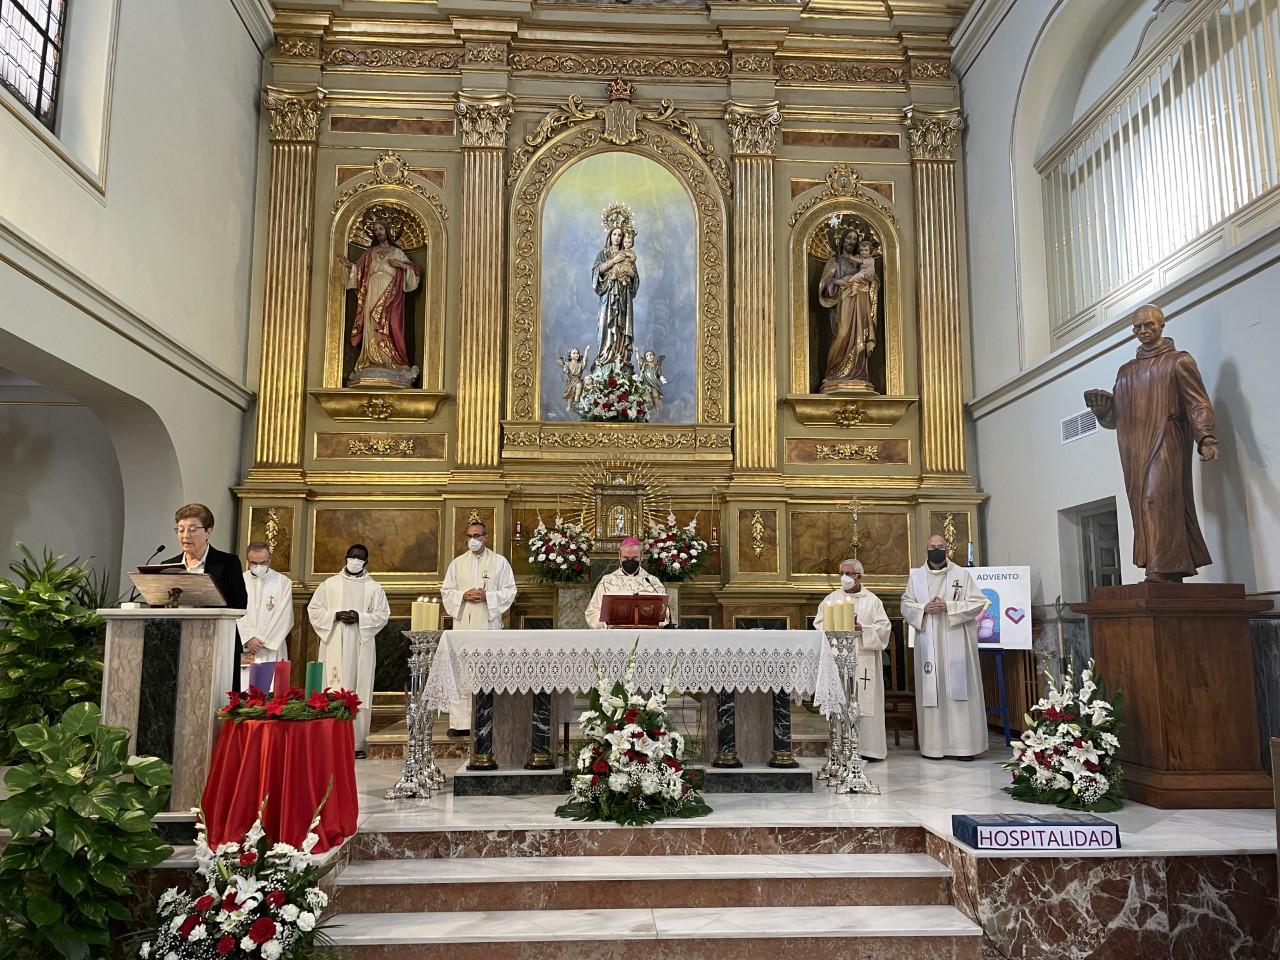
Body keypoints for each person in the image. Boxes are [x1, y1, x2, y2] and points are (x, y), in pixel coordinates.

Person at [1084, 303, 1219, 581]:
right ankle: (1161, 566)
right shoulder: (1126, 371)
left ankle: (1163, 569)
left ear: (1161, 325)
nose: (1143, 331)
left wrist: (1205, 436)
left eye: (1149, 325)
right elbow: (1116, 419)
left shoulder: (1179, 361)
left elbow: (1197, 403)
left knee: (1156, 498)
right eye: (1138, 327)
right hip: (1134, 445)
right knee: (1142, 505)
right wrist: (1103, 411)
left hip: (1166, 436)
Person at [900, 535, 988, 760]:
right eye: (932, 547)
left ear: (947, 549)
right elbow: (906, 604)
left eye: (940, 547)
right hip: (929, 641)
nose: (936, 550)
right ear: (925, 550)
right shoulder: (917, 577)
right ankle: (933, 747)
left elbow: (978, 602)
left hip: (956, 635)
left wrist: (948, 606)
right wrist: (924, 608)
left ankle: (964, 747)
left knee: (958, 690)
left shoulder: (962, 575)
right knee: (934, 690)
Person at [307, 544, 389, 758]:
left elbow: (382, 615)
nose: (355, 560)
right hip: (333, 640)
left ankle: (356, 744)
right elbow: (314, 610)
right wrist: (335, 615)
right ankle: (329, 741)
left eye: (359, 557)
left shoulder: (374, 588)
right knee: (332, 686)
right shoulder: (329, 585)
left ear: (366, 562)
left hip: (361, 644)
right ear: (345, 558)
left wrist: (360, 617)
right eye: (351, 556)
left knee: (357, 688)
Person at [439, 521, 517, 736]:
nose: (473, 540)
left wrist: (488, 596)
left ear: (486, 537)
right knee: (462, 671)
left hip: (487, 626)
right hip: (463, 627)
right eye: (470, 536)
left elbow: (510, 591)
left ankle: (488, 720)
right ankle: (461, 723)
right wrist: (463, 595)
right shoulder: (457, 563)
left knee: (486, 670)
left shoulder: (499, 563)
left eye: (477, 536)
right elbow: (447, 591)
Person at [813, 558, 892, 761]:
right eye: (841, 573)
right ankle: (842, 746)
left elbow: (884, 630)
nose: (844, 578)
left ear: (859, 576)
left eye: (849, 574)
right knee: (842, 702)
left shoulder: (872, 601)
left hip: (864, 659)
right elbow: (819, 624)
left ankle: (869, 750)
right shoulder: (831, 599)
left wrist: (862, 629)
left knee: (865, 702)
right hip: (839, 659)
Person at [163, 504, 248, 689]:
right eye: (181, 530)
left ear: (208, 531)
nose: (185, 535)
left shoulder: (227, 562)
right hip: (178, 643)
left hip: (218, 642)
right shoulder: (167, 565)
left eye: (193, 530)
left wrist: (208, 604)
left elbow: (240, 602)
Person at [338, 219, 422, 386]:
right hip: (372, 289)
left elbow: (413, 269)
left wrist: (400, 265)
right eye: (376, 229)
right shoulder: (370, 253)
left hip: (391, 292)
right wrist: (350, 266)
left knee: (392, 324)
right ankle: (371, 359)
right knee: (371, 322)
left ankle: (394, 360)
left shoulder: (396, 252)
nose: (378, 232)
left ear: (387, 231)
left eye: (381, 229)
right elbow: (359, 269)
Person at [817, 230, 880, 392]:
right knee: (842, 334)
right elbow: (825, 287)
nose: (851, 241)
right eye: (848, 238)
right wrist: (839, 282)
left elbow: (874, 281)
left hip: (860, 303)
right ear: (842, 240)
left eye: (854, 239)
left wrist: (870, 281)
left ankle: (858, 374)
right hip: (843, 305)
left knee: (860, 334)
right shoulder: (835, 261)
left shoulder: (863, 261)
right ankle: (834, 373)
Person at [236, 541, 293, 691]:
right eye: (254, 563)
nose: (259, 566)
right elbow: (235, 612)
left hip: (271, 647)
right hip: (245, 647)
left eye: (263, 562)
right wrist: (247, 638)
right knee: (243, 690)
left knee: (272, 690)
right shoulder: (239, 580)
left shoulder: (283, 582)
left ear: (270, 560)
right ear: (247, 561)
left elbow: (285, 616)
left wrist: (263, 640)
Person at [586, 537, 667, 629]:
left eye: (634, 558)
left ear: (641, 556)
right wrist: (607, 624)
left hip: (645, 635)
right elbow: (592, 612)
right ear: (619, 556)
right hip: (615, 636)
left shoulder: (653, 583)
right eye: (626, 557)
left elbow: (665, 613)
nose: (630, 561)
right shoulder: (607, 582)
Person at [592, 222, 640, 376]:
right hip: (608, 295)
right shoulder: (603, 253)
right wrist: (613, 261)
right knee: (606, 324)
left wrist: (629, 272)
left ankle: (621, 358)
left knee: (621, 326)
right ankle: (606, 357)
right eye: (615, 234)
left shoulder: (628, 255)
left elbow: (635, 277)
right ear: (610, 235)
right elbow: (596, 271)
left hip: (624, 297)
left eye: (620, 235)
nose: (617, 237)